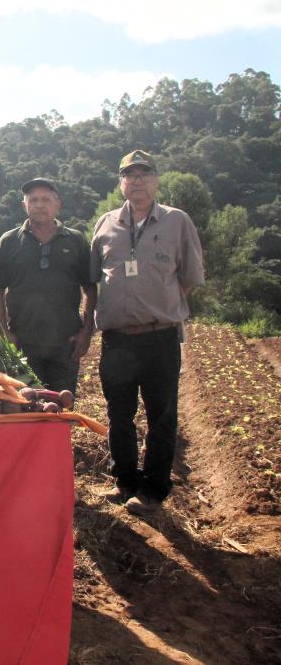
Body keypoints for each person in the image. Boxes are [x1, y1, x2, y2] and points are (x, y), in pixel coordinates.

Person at [91, 150, 205, 516]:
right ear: (120, 182)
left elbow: (188, 279)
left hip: (160, 337)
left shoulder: (177, 221)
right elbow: (94, 280)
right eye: (130, 175)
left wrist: (159, 308)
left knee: (162, 415)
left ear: (155, 180)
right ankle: (124, 480)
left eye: (144, 174)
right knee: (119, 413)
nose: (137, 181)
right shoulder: (106, 224)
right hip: (118, 340)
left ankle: (154, 489)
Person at [0, 178, 96, 395]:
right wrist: (3, 332)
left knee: (62, 407)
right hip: (23, 344)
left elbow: (90, 288)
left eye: (46, 199)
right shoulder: (8, 242)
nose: (39, 205)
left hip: (66, 345)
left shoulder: (75, 241)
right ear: (24, 205)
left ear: (58, 205)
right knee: (27, 409)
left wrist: (86, 332)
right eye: (34, 199)